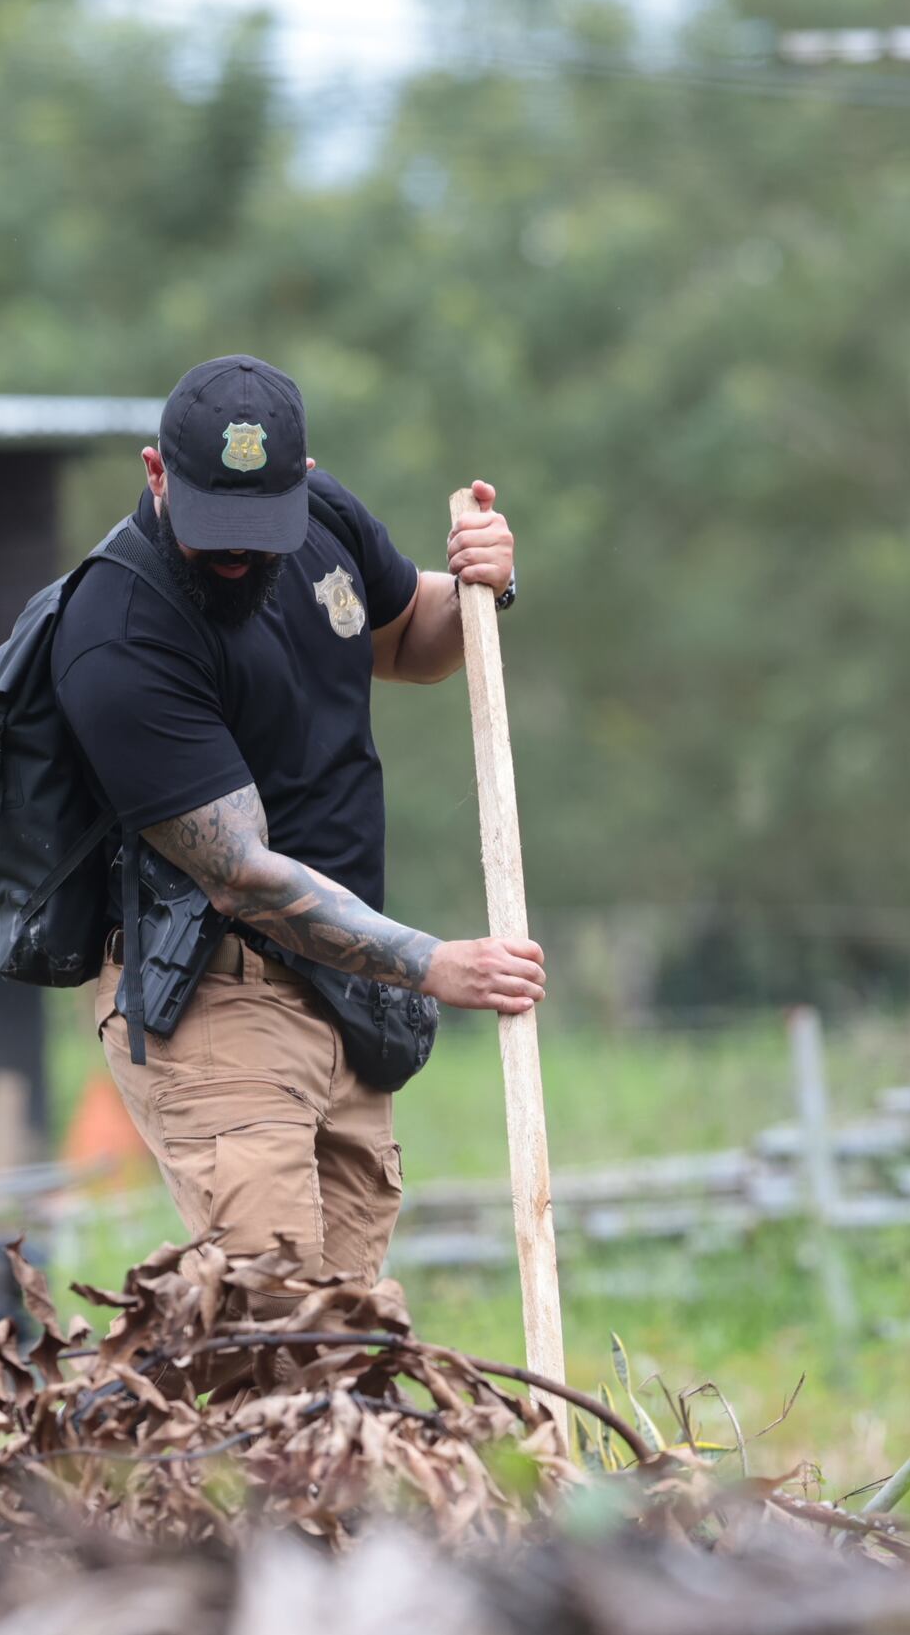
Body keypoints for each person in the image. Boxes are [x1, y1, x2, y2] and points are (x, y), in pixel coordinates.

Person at [51, 354, 544, 1277]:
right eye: (215, 527)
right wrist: (435, 963)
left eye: (259, 527)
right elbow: (238, 873)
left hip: (348, 996)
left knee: (345, 1329)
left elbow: (411, 640)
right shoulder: (118, 632)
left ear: (304, 480)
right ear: (156, 473)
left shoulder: (325, 517)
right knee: (273, 1313)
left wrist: (482, 583)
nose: (238, 553)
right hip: (217, 991)